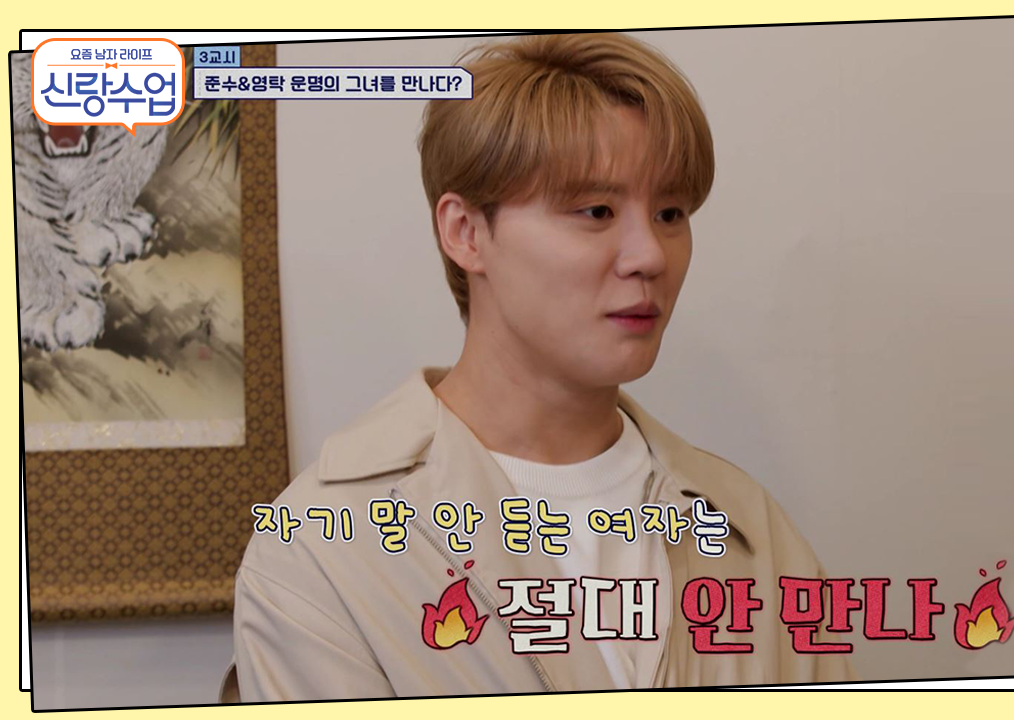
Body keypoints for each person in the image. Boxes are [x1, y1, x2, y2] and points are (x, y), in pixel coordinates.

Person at [219, 31, 856, 701]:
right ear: (466, 232)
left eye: (670, 212)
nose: (650, 255)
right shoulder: (321, 554)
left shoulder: (751, 533)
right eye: (596, 211)